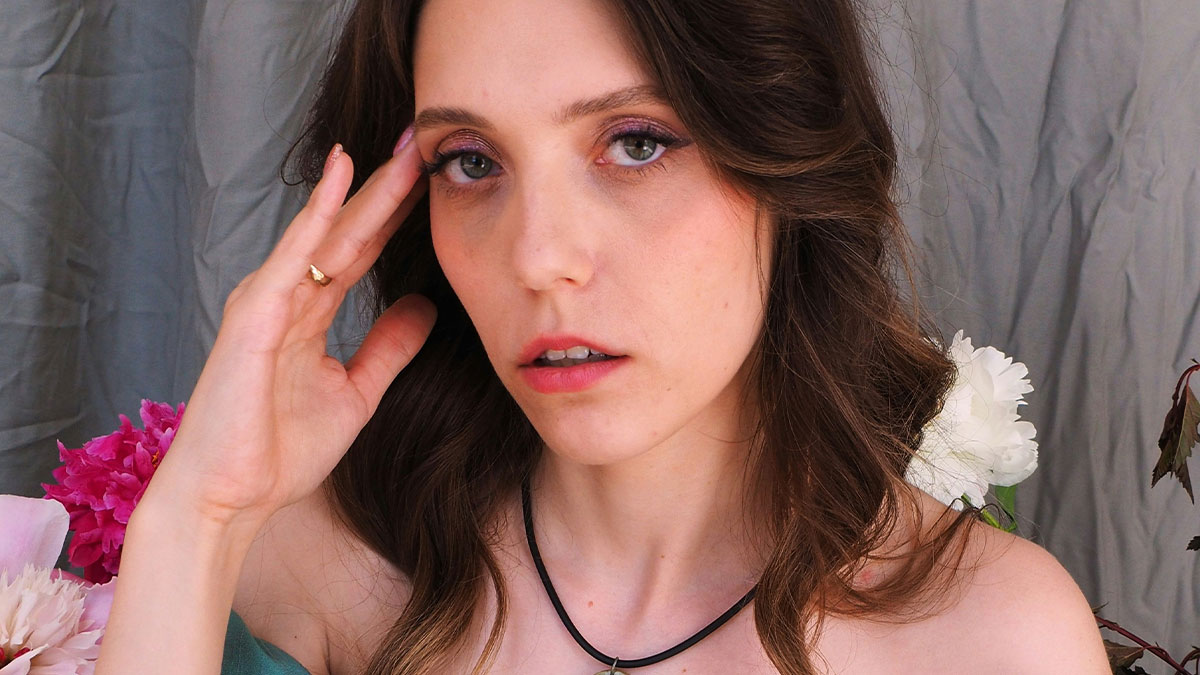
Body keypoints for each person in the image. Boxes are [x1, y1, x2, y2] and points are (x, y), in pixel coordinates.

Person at [96, 0, 1110, 672]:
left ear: (786, 160)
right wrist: (201, 516)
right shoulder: (325, 572)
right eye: (470, 160)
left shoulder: (990, 638)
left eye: (635, 143)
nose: (539, 257)